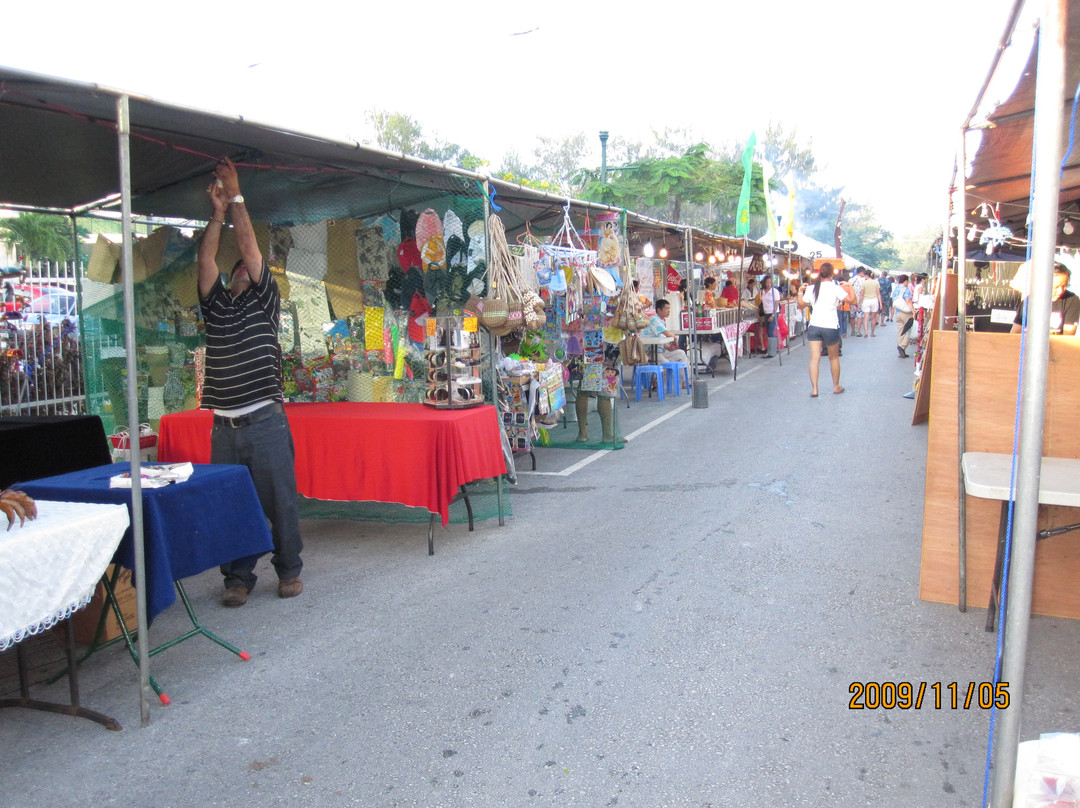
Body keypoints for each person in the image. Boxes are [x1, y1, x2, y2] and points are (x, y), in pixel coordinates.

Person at [197, 157, 305, 607]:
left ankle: (289, 570)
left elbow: (250, 248)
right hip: (224, 427)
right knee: (232, 504)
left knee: (280, 501)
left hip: (264, 422)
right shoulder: (216, 305)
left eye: (247, 265)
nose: (242, 266)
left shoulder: (265, 300)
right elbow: (206, 258)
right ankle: (237, 578)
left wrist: (236, 194)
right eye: (237, 266)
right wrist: (216, 213)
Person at [799, 262, 855, 396]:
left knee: (814, 358)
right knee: (834, 357)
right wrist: (850, 287)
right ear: (831, 273)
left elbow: (801, 304)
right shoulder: (835, 287)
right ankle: (836, 386)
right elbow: (853, 301)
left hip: (815, 325)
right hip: (830, 326)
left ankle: (814, 389)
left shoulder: (812, 287)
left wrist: (800, 291)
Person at [1011, 264, 1079, 336]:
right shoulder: (1030, 300)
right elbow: (1015, 332)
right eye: (1056, 287)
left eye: (1065, 286)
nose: (1060, 291)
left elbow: (1068, 336)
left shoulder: (1072, 300)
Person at [644, 299, 690, 364]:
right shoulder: (654, 319)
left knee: (681, 354)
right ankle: (664, 373)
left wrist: (668, 347)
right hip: (651, 352)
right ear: (659, 310)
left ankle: (685, 374)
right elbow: (668, 334)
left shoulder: (661, 321)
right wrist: (675, 340)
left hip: (660, 350)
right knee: (667, 365)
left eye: (669, 308)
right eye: (666, 308)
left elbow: (659, 338)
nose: (669, 311)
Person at [758, 275, 783, 358]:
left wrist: (773, 315)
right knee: (768, 331)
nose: (769, 284)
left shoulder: (774, 291)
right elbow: (762, 303)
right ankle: (772, 349)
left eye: (770, 282)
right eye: (767, 282)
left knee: (771, 331)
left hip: (773, 313)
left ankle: (771, 351)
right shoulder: (762, 291)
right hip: (766, 313)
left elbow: (776, 304)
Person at [892, 274, 915, 357]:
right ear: (905, 281)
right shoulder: (906, 290)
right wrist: (913, 311)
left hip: (897, 313)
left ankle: (900, 347)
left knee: (901, 330)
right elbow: (908, 301)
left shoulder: (895, 290)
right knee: (908, 330)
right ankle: (902, 346)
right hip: (906, 313)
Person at [859, 268, 881, 337]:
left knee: (866, 317)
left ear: (866, 275)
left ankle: (866, 332)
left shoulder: (864, 283)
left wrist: (859, 303)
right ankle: (872, 333)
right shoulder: (876, 282)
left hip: (866, 300)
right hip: (874, 300)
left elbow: (862, 294)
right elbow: (878, 293)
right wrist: (880, 303)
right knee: (873, 317)